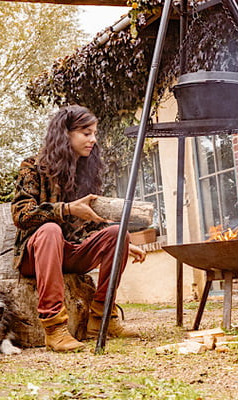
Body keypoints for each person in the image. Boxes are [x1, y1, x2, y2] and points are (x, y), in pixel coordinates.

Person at [11, 105, 146, 352]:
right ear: (65, 134)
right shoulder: (32, 166)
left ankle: (102, 318)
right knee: (50, 230)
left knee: (119, 234)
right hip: (37, 253)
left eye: (94, 133)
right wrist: (67, 209)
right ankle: (54, 328)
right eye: (86, 133)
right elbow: (21, 215)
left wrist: (124, 244)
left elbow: (93, 222)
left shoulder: (86, 171)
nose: (93, 139)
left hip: (71, 252)